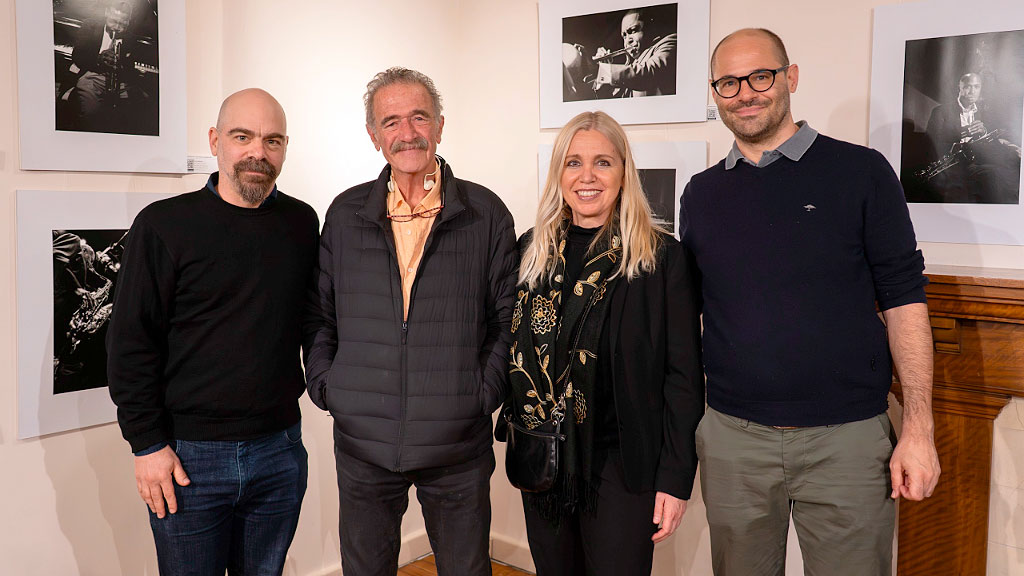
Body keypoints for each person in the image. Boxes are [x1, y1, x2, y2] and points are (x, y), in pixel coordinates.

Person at [681, 28, 941, 575]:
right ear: (714, 92)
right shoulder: (701, 195)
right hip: (733, 440)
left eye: (761, 76)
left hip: (846, 440)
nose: (745, 92)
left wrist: (919, 429)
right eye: (728, 82)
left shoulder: (862, 172)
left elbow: (903, 300)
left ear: (790, 78)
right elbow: (691, 313)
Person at [304, 67, 517, 576]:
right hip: (364, 444)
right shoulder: (345, 213)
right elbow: (319, 313)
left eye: (419, 116)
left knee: (466, 569)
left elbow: (507, 318)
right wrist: (330, 387)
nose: (408, 132)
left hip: (456, 444)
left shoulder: (485, 213)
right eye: (391, 121)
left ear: (440, 125)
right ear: (374, 137)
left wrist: (481, 393)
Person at [106, 88, 319, 575]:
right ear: (215, 141)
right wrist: (146, 445)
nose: (257, 153)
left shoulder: (302, 223)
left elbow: (314, 321)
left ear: (285, 147)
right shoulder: (164, 225)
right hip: (186, 459)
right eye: (242, 136)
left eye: (272, 140)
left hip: (280, 451)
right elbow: (129, 344)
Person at [502, 110, 703, 575]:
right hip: (543, 456)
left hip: (624, 464)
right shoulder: (529, 251)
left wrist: (675, 480)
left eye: (602, 162)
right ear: (558, 174)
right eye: (573, 163)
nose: (587, 176)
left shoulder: (660, 258)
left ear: (623, 171)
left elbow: (684, 379)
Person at [921, 72, 1021, 203]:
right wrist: (962, 132)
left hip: (979, 160)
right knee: (993, 175)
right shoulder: (940, 111)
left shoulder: (985, 112)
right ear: (960, 88)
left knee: (1011, 169)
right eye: (968, 87)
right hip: (952, 164)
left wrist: (983, 132)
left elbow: (994, 137)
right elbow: (930, 140)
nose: (972, 91)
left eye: (976, 87)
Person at [69, 1, 142, 131]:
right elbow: (77, 56)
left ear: (128, 22)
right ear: (107, 12)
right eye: (114, 21)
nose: (117, 27)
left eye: (122, 24)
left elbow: (130, 68)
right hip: (92, 75)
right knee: (90, 113)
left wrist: (122, 65)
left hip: (120, 81)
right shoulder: (90, 26)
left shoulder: (130, 37)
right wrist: (99, 59)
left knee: (133, 113)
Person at [592, 9, 677, 97]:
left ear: (650, 27)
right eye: (624, 36)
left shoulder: (670, 42)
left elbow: (649, 73)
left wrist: (606, 71)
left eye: (633, 31)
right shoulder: (632, 64)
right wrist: (602, 79)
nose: (628, 41)